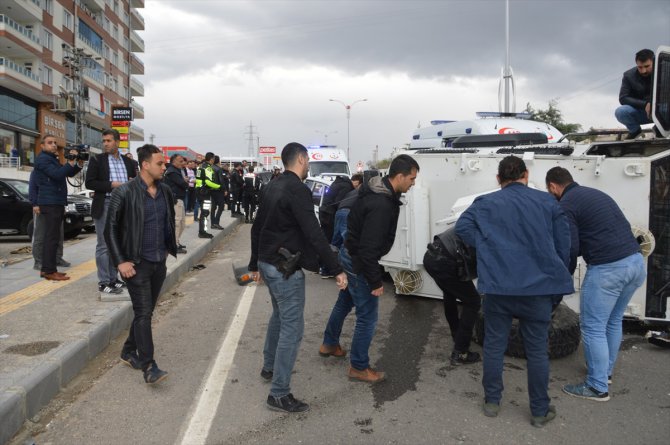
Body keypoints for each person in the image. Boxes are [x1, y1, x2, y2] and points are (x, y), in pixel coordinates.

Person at [455, 156, 573, 428]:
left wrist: (487, 248)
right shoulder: (548, 202)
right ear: (526, 174)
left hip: (499, 288)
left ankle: (492, 402)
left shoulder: (485, 203)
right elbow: (563, 248)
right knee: (537, 351)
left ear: (498, 179)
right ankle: (540, 411)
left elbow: (462, 227)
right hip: (539, 289)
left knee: (495, 345)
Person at [248, 142, 347, 413]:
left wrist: (253, 264)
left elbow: (257, 228)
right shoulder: (298, 190)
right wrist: (336, 268)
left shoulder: (273, 185)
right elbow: (314, 232)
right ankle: (279, 393)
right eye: (308, 162)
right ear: (302, 159)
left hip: (268, 263)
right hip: (285, 269)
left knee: (279, 316)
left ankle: (269, 367)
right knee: (292, 328)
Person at [545, 167, 645, 402]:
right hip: (635, 262)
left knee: (592, 327)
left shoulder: (566, 204)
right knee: (613, 320)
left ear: (552, 187)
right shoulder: (596, 194)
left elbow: (572, 247)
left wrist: (563, 276)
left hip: (609, 269)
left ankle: (596, 386)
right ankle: (605, 373)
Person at [321, 155, 419, 384]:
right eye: (412, 179)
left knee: (344, 302)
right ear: (400, 176)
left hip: (349, 254)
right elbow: (368, 250)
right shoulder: (382, 204)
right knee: (367, 317)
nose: (413, 183)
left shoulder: (377, 191)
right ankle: (358, 367)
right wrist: (375, 282)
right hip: (359, 262)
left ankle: (329, 343)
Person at [105, 144, 177, 385]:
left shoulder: (165, 190)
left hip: (158, 262)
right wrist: (120, 262)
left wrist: (168, 247)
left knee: (145, 312)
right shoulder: (124, 192)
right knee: (144, 313)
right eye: (160, 163)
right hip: (135, 264)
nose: (164, 166)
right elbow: (110, 230)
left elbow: (169, 220)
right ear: (145, 165)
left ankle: (128, 351)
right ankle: (148, 365)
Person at [85, 129, 137, 296]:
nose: (105, 144)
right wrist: (111, 185)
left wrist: (132, 183)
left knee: (118, 242)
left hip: (123, 205)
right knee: (104, 244)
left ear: (117, 141)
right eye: (104, 141)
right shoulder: (97, 160)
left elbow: (134, 181)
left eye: (108, 140)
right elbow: (90, 183)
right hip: (105, 203)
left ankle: (114, 278)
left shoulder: (128, 162)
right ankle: (104, 281)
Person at [423, 227, 481, 365]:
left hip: (431, 256)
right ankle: (461, 352)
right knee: (473, 301)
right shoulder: (490, 228)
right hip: (444, 261)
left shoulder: (475, 216)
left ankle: (457, 335)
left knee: (450, 293)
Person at [33, 135, 83, 280]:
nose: (54, 145)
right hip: (50, 202)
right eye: (50, 143)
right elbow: (57, 174)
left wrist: (78, 164)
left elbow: (66, 172)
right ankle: (48, 271)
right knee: (51, 237)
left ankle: (48, 269)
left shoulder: (52, 159)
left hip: (56, 201)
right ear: (42, 145)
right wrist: (70, 160)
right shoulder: (42, 159)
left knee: (54, 237)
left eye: (55, 143)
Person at [29, 169, 69, 270]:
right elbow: (33, 187)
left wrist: (63, 204)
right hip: (42, 206)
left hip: (57, 206)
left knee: (58, 235)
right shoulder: (37, 171)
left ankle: (57, 258)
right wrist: (35, 204)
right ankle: (38, 261)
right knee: (40, 235)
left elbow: (63, 189)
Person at [615, 49, 659, 140]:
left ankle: (659, 129)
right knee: (621, 112)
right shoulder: (628, 75)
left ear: (654, 62)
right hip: (641, 112)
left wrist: (656, 105)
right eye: (640, 67)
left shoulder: (665, 71)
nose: (643, 71)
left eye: (647, 66)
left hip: (663, 112)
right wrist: (645, 104)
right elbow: (623, 98)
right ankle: (635, 131)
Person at [330, 173, 363, 250]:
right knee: (347, 240)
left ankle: (330, 258)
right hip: (347, 212)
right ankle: (345, 260)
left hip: (338, 212)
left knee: (336, 240)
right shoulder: (359, 191)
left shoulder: (350, 191)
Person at [164, 154, 188, 254]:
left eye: (183, 161)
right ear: (174, 161)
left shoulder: (177, 170)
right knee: (177, 223)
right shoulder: (172, 171)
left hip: (179, 199)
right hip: (175, 199)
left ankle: (176, 242)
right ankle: (173, 245)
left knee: (182, 223)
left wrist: (184, 181)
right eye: (180, 161)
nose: (182, 163)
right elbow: (182, 184)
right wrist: (185, 181)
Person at [194, 152, 221, 238]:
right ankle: (202, 232)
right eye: (213, 159)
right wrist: (219, 186)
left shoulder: (200, 167)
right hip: (205, 193)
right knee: (205, 212)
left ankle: (202, 231)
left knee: (203, 212)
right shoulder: (208, 168)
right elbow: (208, 182)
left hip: (199, 191)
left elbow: (198, 181)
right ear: (212, 159)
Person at [210, 155, 226, 230]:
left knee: (213, 207)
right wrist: (224, 190)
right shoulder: (219, 169)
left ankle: (212, 223)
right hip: (218, 190)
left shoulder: (209, 168)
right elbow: (221, 181)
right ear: (218, 161)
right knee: (221, 206)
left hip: (211, 189)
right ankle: (216, 222)